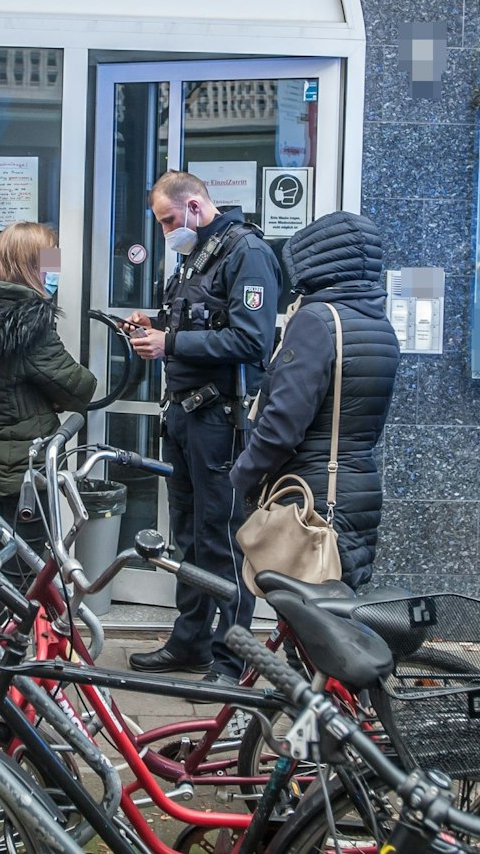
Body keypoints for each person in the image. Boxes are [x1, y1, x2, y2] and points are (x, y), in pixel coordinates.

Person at [125, 171, 280, 682]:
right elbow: (197, 321)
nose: (167, 231)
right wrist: (157, 328)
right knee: (190, 538)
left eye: (169, 220)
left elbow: (251, 341)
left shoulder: (246, 253)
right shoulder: (198, 256)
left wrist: (171, 345)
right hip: (187, 416)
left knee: (223, 540)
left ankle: (232, 660)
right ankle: (190, 642)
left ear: (194, 205)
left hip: (221, 422)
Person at [229, 211, 396, 590]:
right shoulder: (378, 324)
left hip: (314, 494)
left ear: (316, 260)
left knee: (307, 624)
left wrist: (241, 476)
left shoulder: (316, 321)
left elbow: (282, 423)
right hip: (356, 490)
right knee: (334, 617)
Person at [0, 222, 97, 570]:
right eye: (50, 263)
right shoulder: (28, 325)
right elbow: (78, 388)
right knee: (26, 567)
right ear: (28, 266)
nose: (55, 272)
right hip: (23, 468)